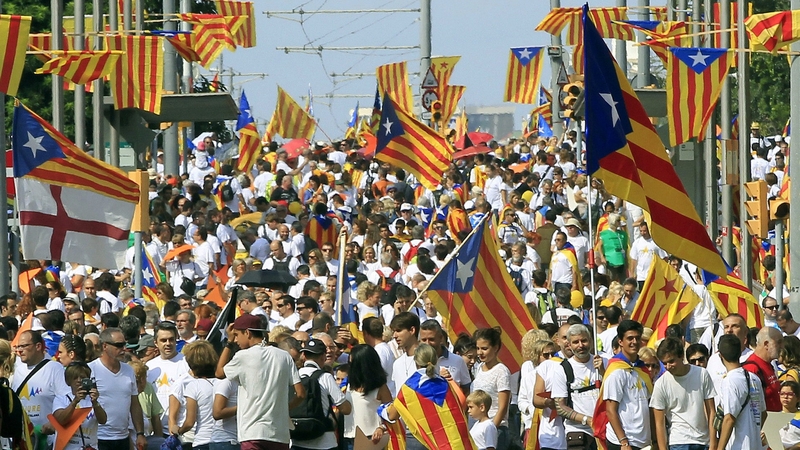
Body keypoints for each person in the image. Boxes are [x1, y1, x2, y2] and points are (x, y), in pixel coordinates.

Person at [217, 314, 305, 450]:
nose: (235, 340)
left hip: (252, 432)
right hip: (279, 433)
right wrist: (283, 410)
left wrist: (228, 343)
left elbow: (219, 373)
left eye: (236, 335)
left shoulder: (243, 356)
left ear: (247, 333)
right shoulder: (284, 356)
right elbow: (300, 394)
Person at [649, 337, 717, 450]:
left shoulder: (702, 374)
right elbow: (659, 423)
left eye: (671, 361)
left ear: (681, 356)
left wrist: (713, 445)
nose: (668, 367)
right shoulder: (661, 384)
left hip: (703, 441)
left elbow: (712, 412)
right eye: (664, 363)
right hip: (678, 441)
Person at [88, 328, 148, 450]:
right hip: (98, 438)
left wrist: (140, 433)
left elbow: (135, 404)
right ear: (105, 346)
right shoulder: (90, 369)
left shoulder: (129, 370)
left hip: (123, 438)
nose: (124, 349)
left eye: (124, 344)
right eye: (119, 345)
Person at [601, 320, 653, 450]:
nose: (634, 342)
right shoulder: (616, 371)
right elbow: (610, 410)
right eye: (630, 338)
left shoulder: (643, 369)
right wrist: (623, 442)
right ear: (620, 341)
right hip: (623, 442)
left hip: (643, 441)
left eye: (637, 338)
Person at [291, 338, 352, 450]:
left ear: (304, 356)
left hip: (297, 439)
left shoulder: (294, 375)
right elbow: (345, 409)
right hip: (324, 442)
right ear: (323, 357)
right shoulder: (325, 377)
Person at [551, 324, 604, 450]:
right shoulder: (562, 370)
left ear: (591, 341)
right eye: (575, 342)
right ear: (569, 345)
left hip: (605, 429)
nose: (581, 345)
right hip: (578, 432)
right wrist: (587, 420)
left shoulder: (603, 362)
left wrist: (603, 372)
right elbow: (560, 407)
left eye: (584, 340)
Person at [12, 330, 70, 440]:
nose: (19, 350)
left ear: (38, 346)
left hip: (48, 439)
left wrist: (54, 423)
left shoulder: (55, 368)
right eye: (18, 346)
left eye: (24, 346)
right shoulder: (18, 371)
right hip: (23, 440)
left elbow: (67, 400)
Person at [716, 334, 767, 450]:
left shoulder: (729, 381)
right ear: (740, 353)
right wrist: (753, 432)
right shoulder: (754, 378)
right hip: (755, 445)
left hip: (738, 446)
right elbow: (763, 413)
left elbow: (729, 418)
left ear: (720, 355)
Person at [146, 321, 191, 433]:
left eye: (171, 339)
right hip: (157, 431)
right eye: (163, 340)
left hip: (181, 430)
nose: (168, 343)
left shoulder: (187, 363)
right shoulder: (149, 367)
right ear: (156, 343)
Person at [52, 362, 108, 450]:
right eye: (75, 378)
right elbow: (61, 420)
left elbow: (103, 420)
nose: (79, 380)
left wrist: (95, 403)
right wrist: (75, 401)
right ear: (68, 381)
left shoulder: (95, 399)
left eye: (82, 377)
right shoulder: (61, 399)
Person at [472, 327, 511, 450]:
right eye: (478, 348)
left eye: (484, 348)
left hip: (496, 429)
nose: (480, 352)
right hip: (479, 429)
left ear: (495, 348)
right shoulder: (479, 368)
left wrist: (491, 429)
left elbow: (503, 407)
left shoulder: (501, 371)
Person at [347, 344, 393, 446]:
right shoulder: (348, 384)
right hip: (348, 438)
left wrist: (381, 428)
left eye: (353, 364)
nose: (350, 367)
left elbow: (390, 414)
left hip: (371, 439)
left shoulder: (380, 388)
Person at [179, 341, 220, 450]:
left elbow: (189, 422)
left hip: (203, 440)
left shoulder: (193, 386)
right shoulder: (224, 383)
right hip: (223, 439)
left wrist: (178, 430)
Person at [743, 326, 784, 412]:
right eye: (779, 342)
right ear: (766, 344)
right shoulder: (752, 369)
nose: (782, 346)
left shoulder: (768, 364)